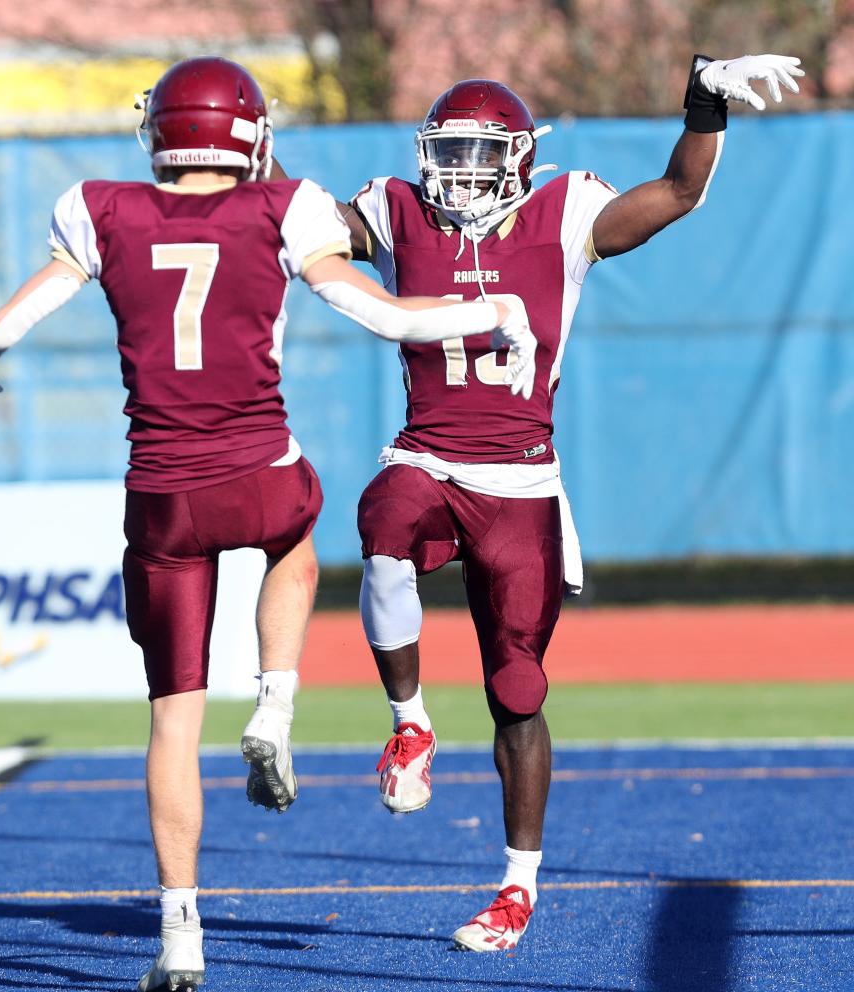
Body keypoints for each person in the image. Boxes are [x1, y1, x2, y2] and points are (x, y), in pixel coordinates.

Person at [0, 57, 536, 992]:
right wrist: (492, 307)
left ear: (160, 131)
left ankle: (179, 932)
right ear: (248, 131)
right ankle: (276, 701)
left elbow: (8, 326)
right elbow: (382, 315)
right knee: (294, 538)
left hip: (161, 494)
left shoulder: (98, 208)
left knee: (171, 720)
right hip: (258, 470)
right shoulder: (281, 207)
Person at [318, 53, 803, 952]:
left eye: (477, 154)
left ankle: (515, 886)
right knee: (384, 515)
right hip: (429, 454)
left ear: (518, 159)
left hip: (521, 483)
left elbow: (677, 192)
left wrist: (703, 105)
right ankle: (410, 724)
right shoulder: (397, 210)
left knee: (518, 693)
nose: (458, 173)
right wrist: (220, 166)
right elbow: (303, 226)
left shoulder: (566, 212)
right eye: (447, 153)